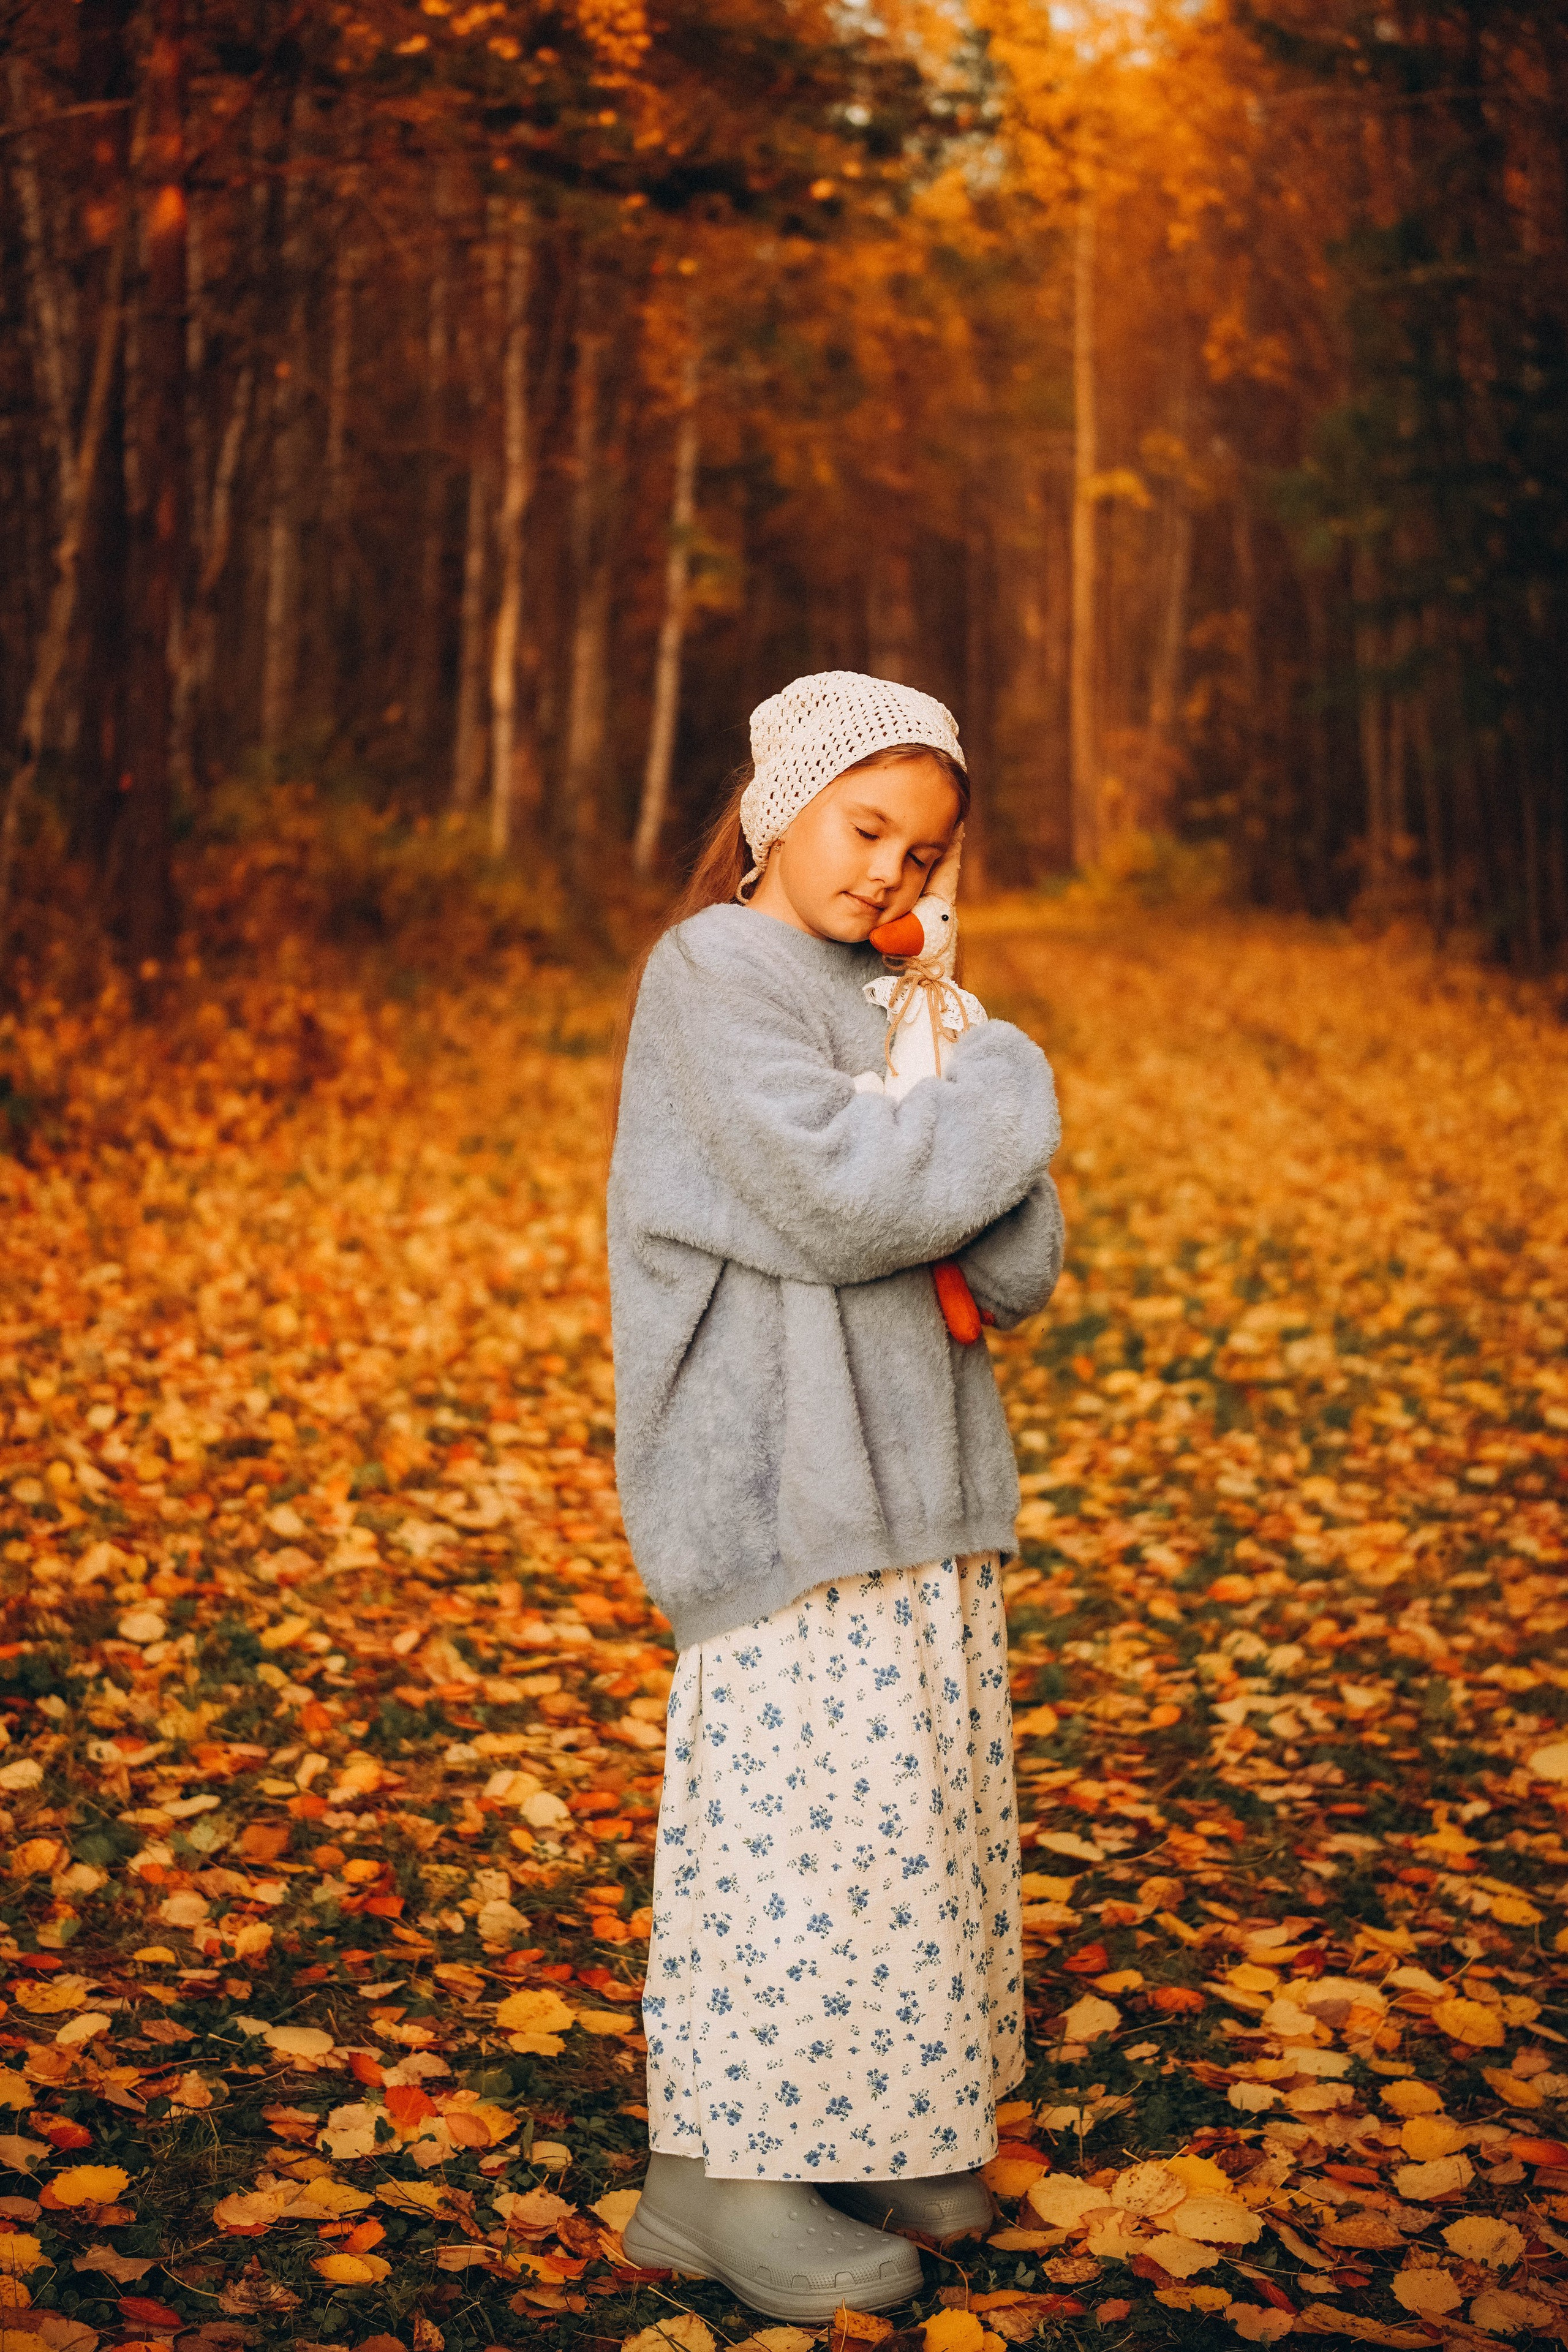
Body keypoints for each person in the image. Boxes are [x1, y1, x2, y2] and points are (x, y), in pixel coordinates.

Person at [608, 671, 1065, 2321]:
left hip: (919, 1477)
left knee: (906, 1825)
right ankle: (714, 2182)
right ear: (775, 807)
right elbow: (849, 1197)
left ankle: (873, 2123)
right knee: (792, 1843)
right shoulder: (712, 974)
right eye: (867, 828)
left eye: (924, 855)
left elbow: (1015, 1264)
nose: (892, 873)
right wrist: (996, 1082)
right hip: (782, 1486)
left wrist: (942, 1067)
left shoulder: (903, 999)